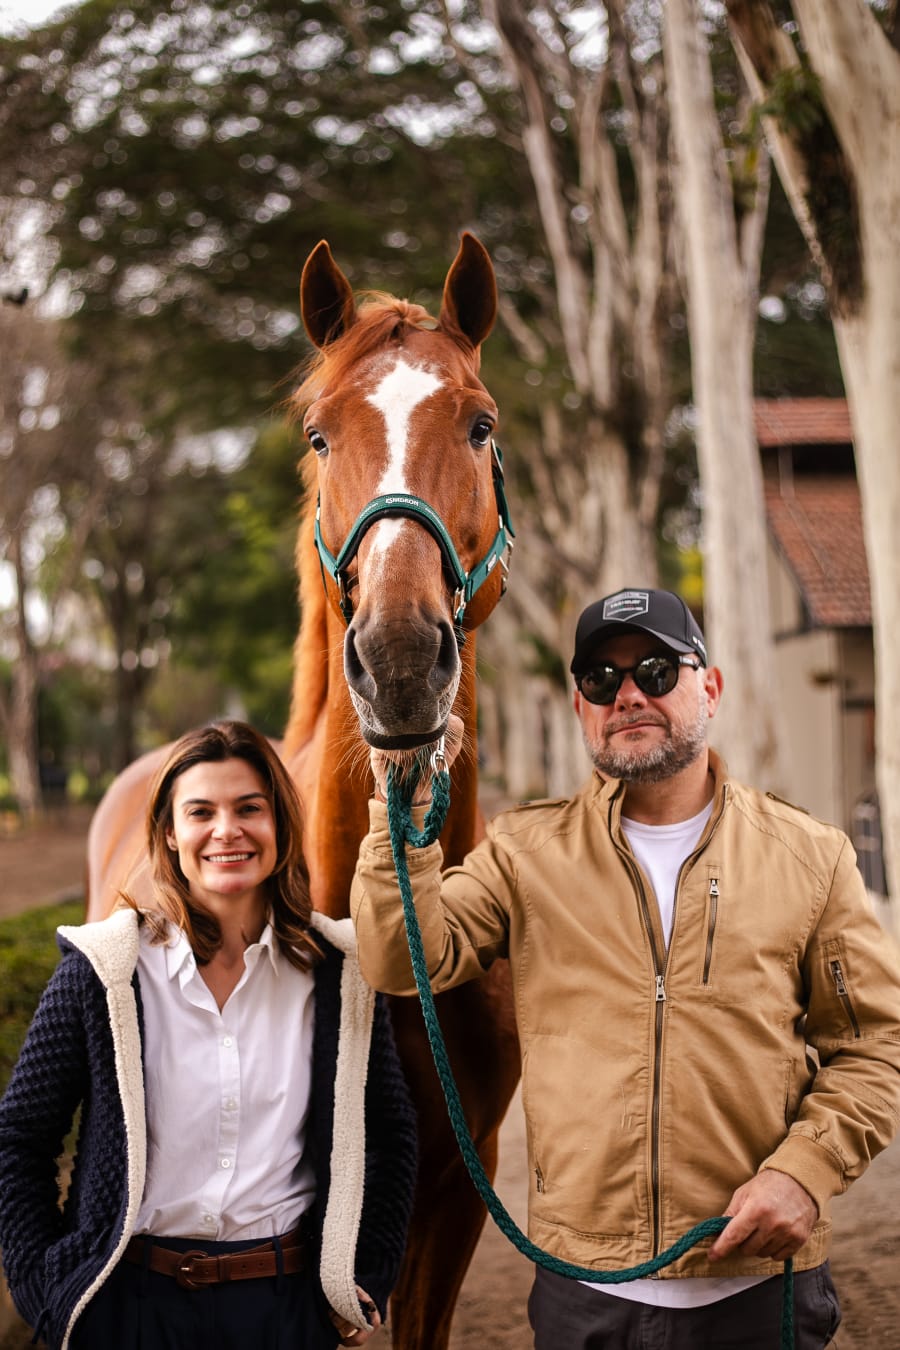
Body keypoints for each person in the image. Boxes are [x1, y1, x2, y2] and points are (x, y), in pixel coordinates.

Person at [350, 587, 900, 1349]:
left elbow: (876, 1048)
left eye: (655, 669)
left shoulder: (811, 856)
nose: (629, 694)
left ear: (708, 686)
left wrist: (805, 1170)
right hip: (584, 1299)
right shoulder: (523, 855)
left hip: (756, 1288)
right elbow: (401, 960)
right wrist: (398, 811)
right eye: (601, 681)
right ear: (581, 709)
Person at [0, 720, 417, 1350]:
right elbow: (18, 1138)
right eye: (201, 812)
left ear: (279, 824)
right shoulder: (104, 971)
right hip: (129, 1309)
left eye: (250, 808)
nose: (228, 830)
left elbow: (391, 1135)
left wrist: (364, 1275)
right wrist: (45, 1288)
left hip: (283, 1308)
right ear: (170, 834)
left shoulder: (340, 974)